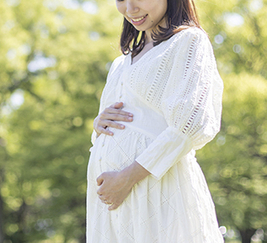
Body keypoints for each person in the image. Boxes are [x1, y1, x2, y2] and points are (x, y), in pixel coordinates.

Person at [86, 0, 224, 242]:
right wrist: (98, 127)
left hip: (155, 188)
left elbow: (189, 126)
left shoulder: (188, 41)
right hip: (112, 204)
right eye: (120, 0)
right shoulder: (120, 63)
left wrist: (127, 177)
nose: (130, 9)